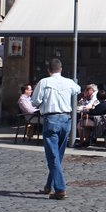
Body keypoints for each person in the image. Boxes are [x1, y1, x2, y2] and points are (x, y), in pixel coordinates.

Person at [31, 58, 80, 200]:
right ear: (61, 69)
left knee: (52, 156)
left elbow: (35, 101)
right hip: (66, 119)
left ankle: (60, 189)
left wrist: (43, 103)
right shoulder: (69, 82)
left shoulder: (44, 82)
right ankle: (49, 186)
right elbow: (77, 90)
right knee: (57, 155)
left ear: (48, 70)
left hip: (51, 119)